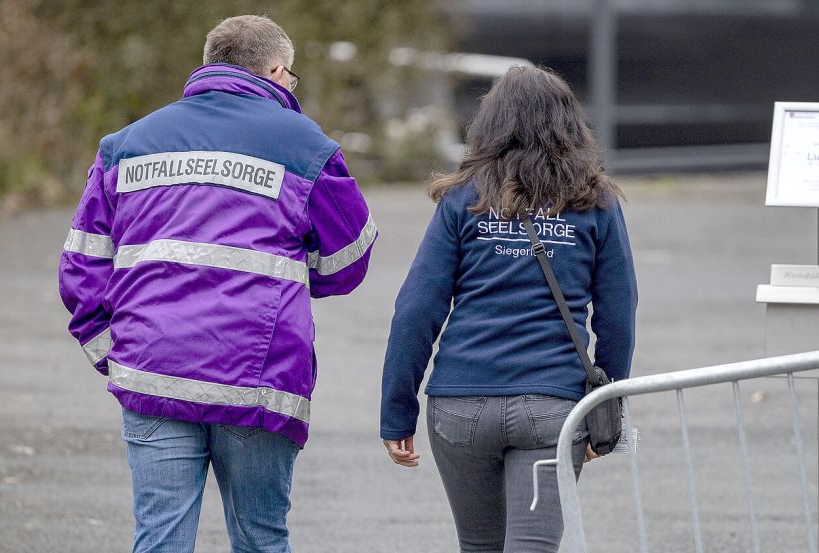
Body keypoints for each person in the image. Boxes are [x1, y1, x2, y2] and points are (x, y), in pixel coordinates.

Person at [58, 15, 376, 553]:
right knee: (260, 539)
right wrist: (292, 275)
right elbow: (348, 261)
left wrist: (113, 353)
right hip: (259, 375)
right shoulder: (306, 146)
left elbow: (82, 264)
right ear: (276, 71)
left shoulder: (127, 145)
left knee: (159, 539)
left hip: (153, 373)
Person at [379, 65, 637, 553]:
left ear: (490, 125)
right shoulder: (596, 201)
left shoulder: (463, 199)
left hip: (460, 404)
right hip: (552, 406)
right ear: (569, 125)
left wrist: (397, 412)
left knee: (479, 546)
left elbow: (415, 310)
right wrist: (605, 411)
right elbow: (617, 317)